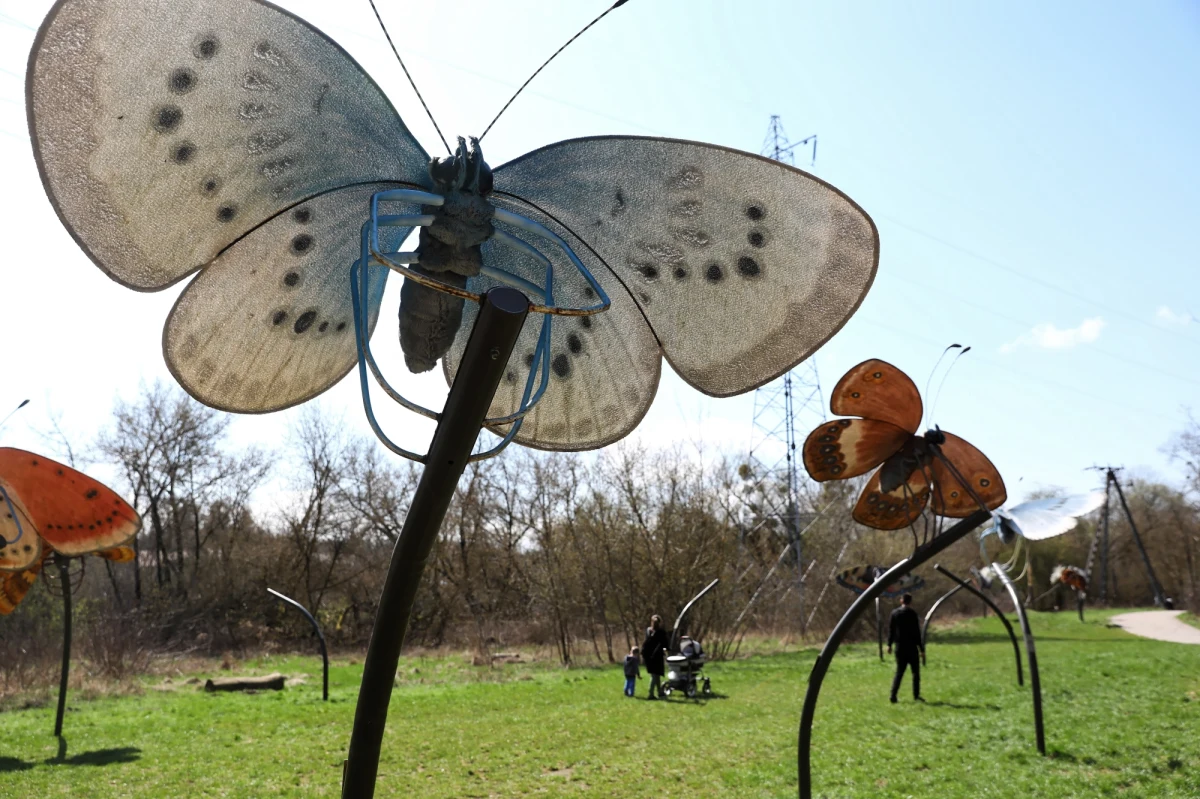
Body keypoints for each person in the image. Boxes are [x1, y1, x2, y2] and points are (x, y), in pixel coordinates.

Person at [887, 593, 925, 703]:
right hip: (912, 647)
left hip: (900, 647)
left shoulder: (894, 613)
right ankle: (916, 695)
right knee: (915, 673)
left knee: (899, 672)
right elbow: (917, 633)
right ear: (910, 602)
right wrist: (921, 649)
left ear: (901, 601)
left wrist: (889, 644)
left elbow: (891, 630)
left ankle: (893, 695)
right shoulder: (913, 614)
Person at [641, 615, 669, 699]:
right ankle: (651, 694)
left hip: (648, 656)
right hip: (657, 656)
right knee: (655, 675)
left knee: (656, 675)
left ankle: (660, 692)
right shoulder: (661, 632)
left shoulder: (648, 630)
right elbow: (665, 644)